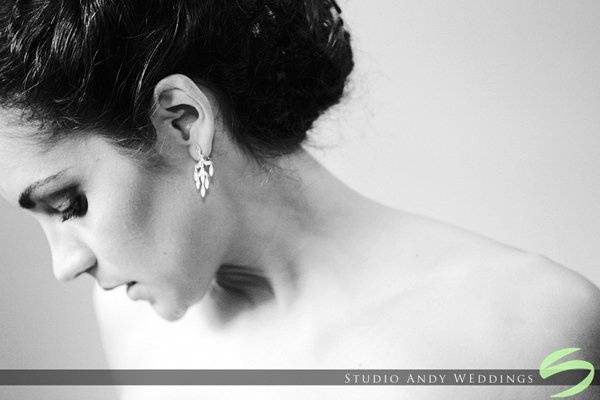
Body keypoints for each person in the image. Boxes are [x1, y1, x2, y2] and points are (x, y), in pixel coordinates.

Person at [0, 1, 598, 399]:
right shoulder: (135, 321)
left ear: (183, 122)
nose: (64, 265)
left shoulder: (530, 329)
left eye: (69, 203)